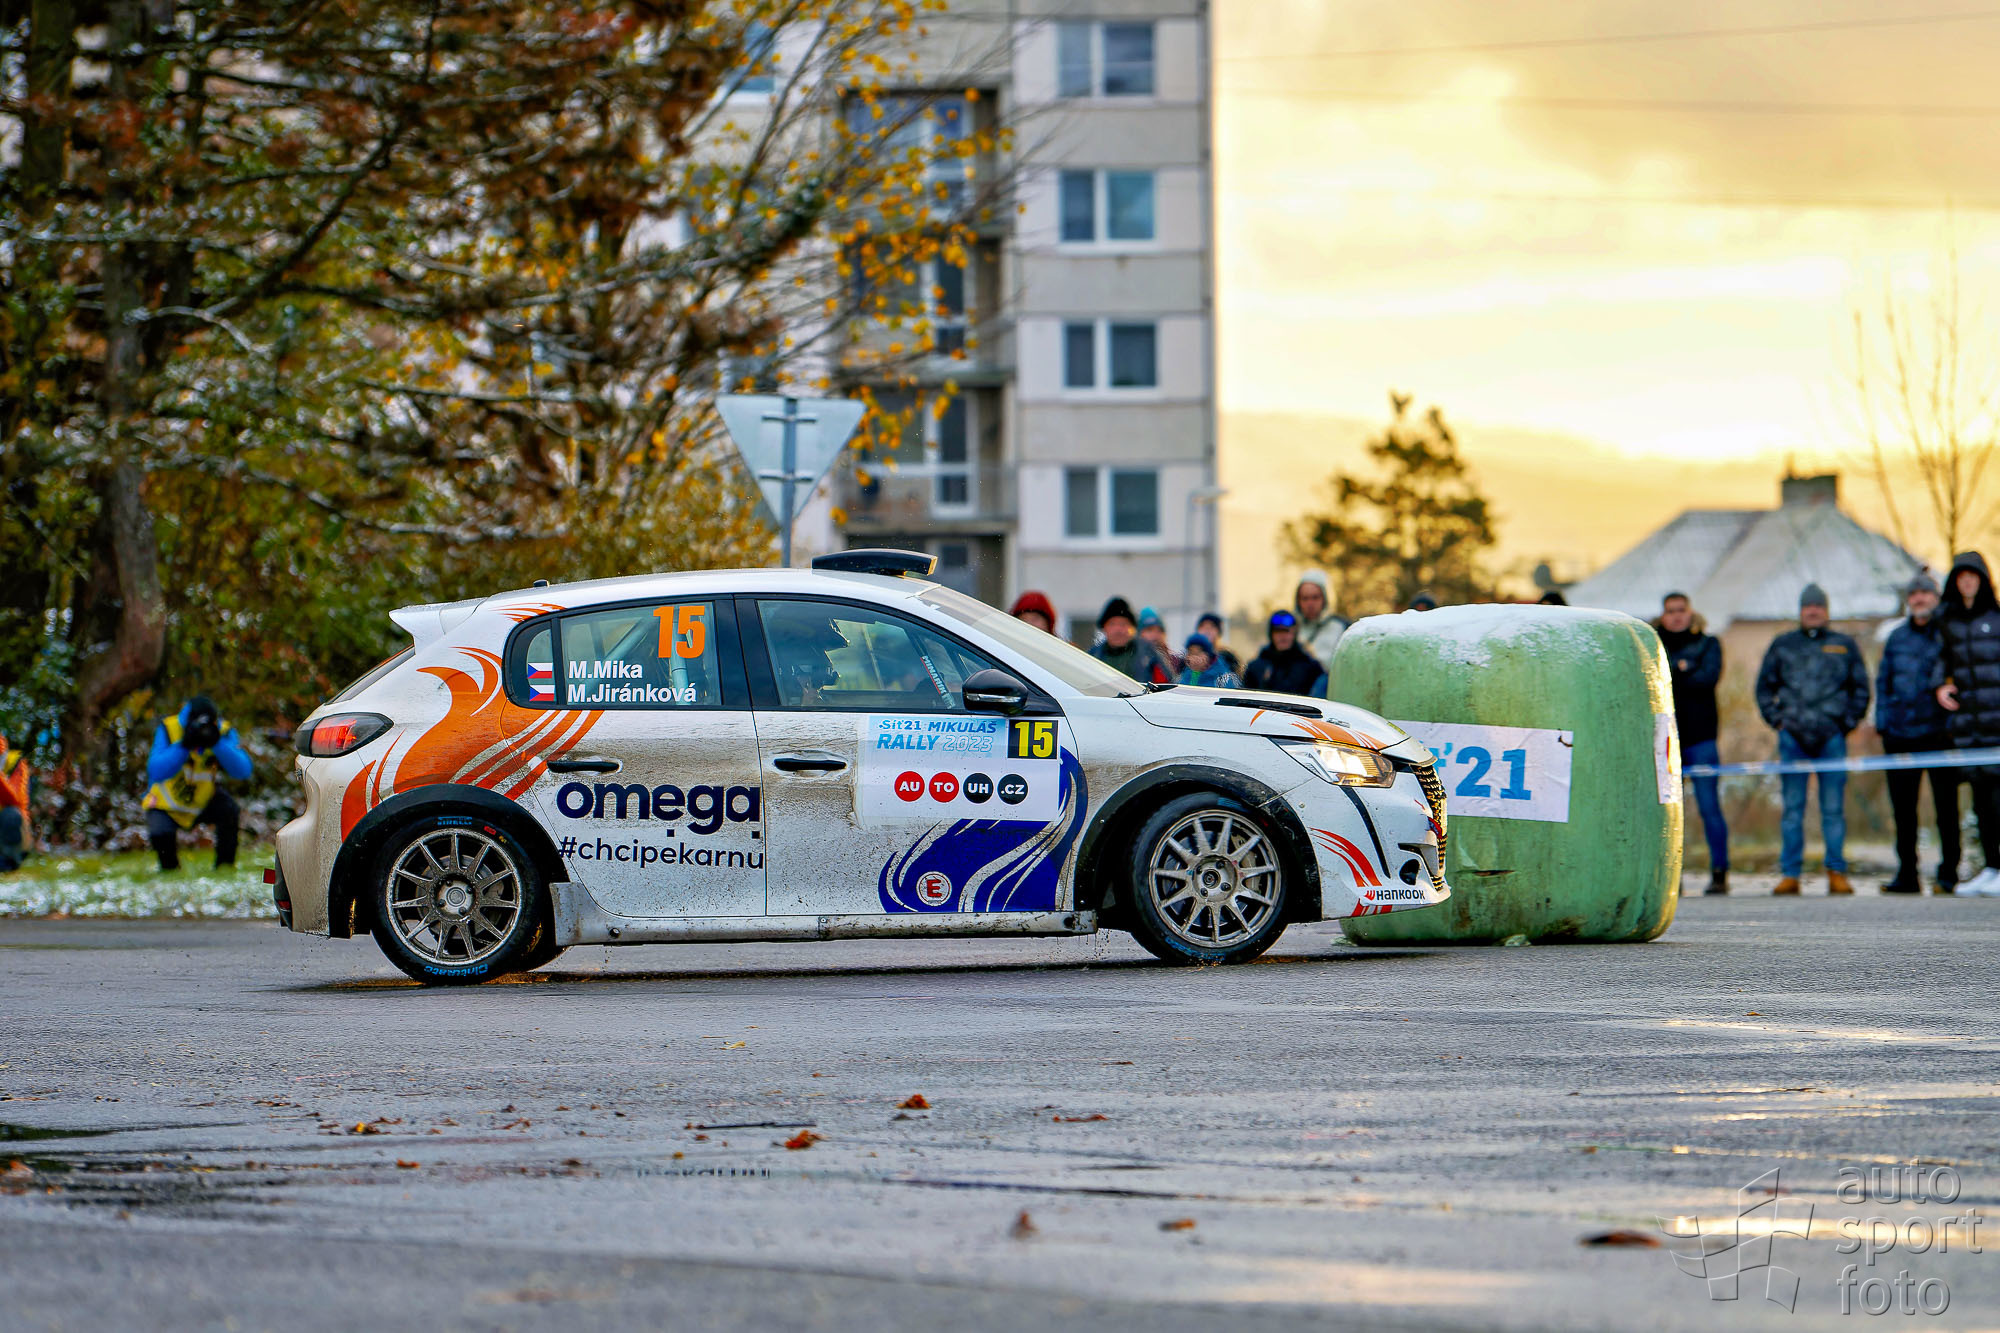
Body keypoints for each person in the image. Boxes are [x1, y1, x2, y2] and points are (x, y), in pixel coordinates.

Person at [1755, 584, 1870, 896]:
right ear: (1801, 611)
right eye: (1808, 606)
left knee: (1833, 809)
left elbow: (1861, 688)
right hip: (1792, 738)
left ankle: (1836, 872)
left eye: (1819, 606)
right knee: (1792, 809)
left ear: (1826, 611)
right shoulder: (1783, 645)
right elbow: (1764, 688)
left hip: (1832, 738)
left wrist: (1845, 724)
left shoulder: (1844, 645)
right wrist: (1778, 721)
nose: (1813, 611)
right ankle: (1790, 874)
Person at [1877, 573, 1959, 894]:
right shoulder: (1896, 637)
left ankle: (1949, 873)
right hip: (1899, 735)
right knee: (1903, 811)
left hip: (1940, 733)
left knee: (1946, 809)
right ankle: (1907, 874)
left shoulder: (1947, 633)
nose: (1919, 599)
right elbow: (1883, 682)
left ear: (1935, 598)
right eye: (1914, 594)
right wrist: (1883, 724)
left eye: (1925, 593)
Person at [1654, 592, 1728, 894]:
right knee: (1668, 813)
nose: (1676, 616)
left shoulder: (1708, 644)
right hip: (1667, 740)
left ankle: (1720, 872)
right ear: (1663, 615)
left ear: (1690, 612)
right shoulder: (1654, 644)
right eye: (1670, 611)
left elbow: (1707, 679)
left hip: (1701, 739)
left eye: (1681, 610)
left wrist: (1674, 672)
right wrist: (1684, 668)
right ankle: (1673, 877)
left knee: (1710, 808)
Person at [1935, 553, 2000, 895]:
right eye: (1961, 577)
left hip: (1996, 724)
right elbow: (1938, 661)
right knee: (1981, 804)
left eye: (1973, 576)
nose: (1967, 582)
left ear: (1983, 580)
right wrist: (1940, 684)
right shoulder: (1947, 622)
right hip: (1969, 729)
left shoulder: (1997, 618)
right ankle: (1991, 868)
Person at [143, 696, 252, 872]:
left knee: (229, 810)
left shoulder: (223, 731)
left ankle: (225, 866)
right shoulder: (169, 728)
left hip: (202, 800)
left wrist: (217, 744)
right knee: (160, 830)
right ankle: (169, 868)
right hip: (167, 803)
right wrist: (184, 746)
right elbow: (155, 771)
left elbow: (243, 771)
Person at [1088, 597, 1172, 685]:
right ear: (1104, 627)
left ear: (1132, 628)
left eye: (1123, 624)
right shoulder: (1092, 657)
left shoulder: (1149, 653)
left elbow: (1166, 685)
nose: (1118, 630)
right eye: (1112, 624)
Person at [1243, 610, 1327, 696]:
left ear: (1294, 634)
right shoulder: (1255, 667)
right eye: (1278, 631)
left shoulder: (1311, 667)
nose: (1282, 636)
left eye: (1286, 631)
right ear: (1271, 635)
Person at [1293, 571, 1349, 673]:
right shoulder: (1291, 628)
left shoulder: (1342, 628)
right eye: (1305, 598)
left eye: (1315, 597)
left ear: (1326, 598)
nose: (1310, 604)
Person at [0, 731, 29, 873]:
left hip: (11, 831)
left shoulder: (15, 763)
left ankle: (10, 861)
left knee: (11, 813)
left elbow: (15, 800)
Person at [1136, 607, 1183, 674]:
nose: (1155, 634)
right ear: (1139, 634)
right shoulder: (1131, 661)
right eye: (1149, 630)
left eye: (1160, 630)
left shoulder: (1177, 663)